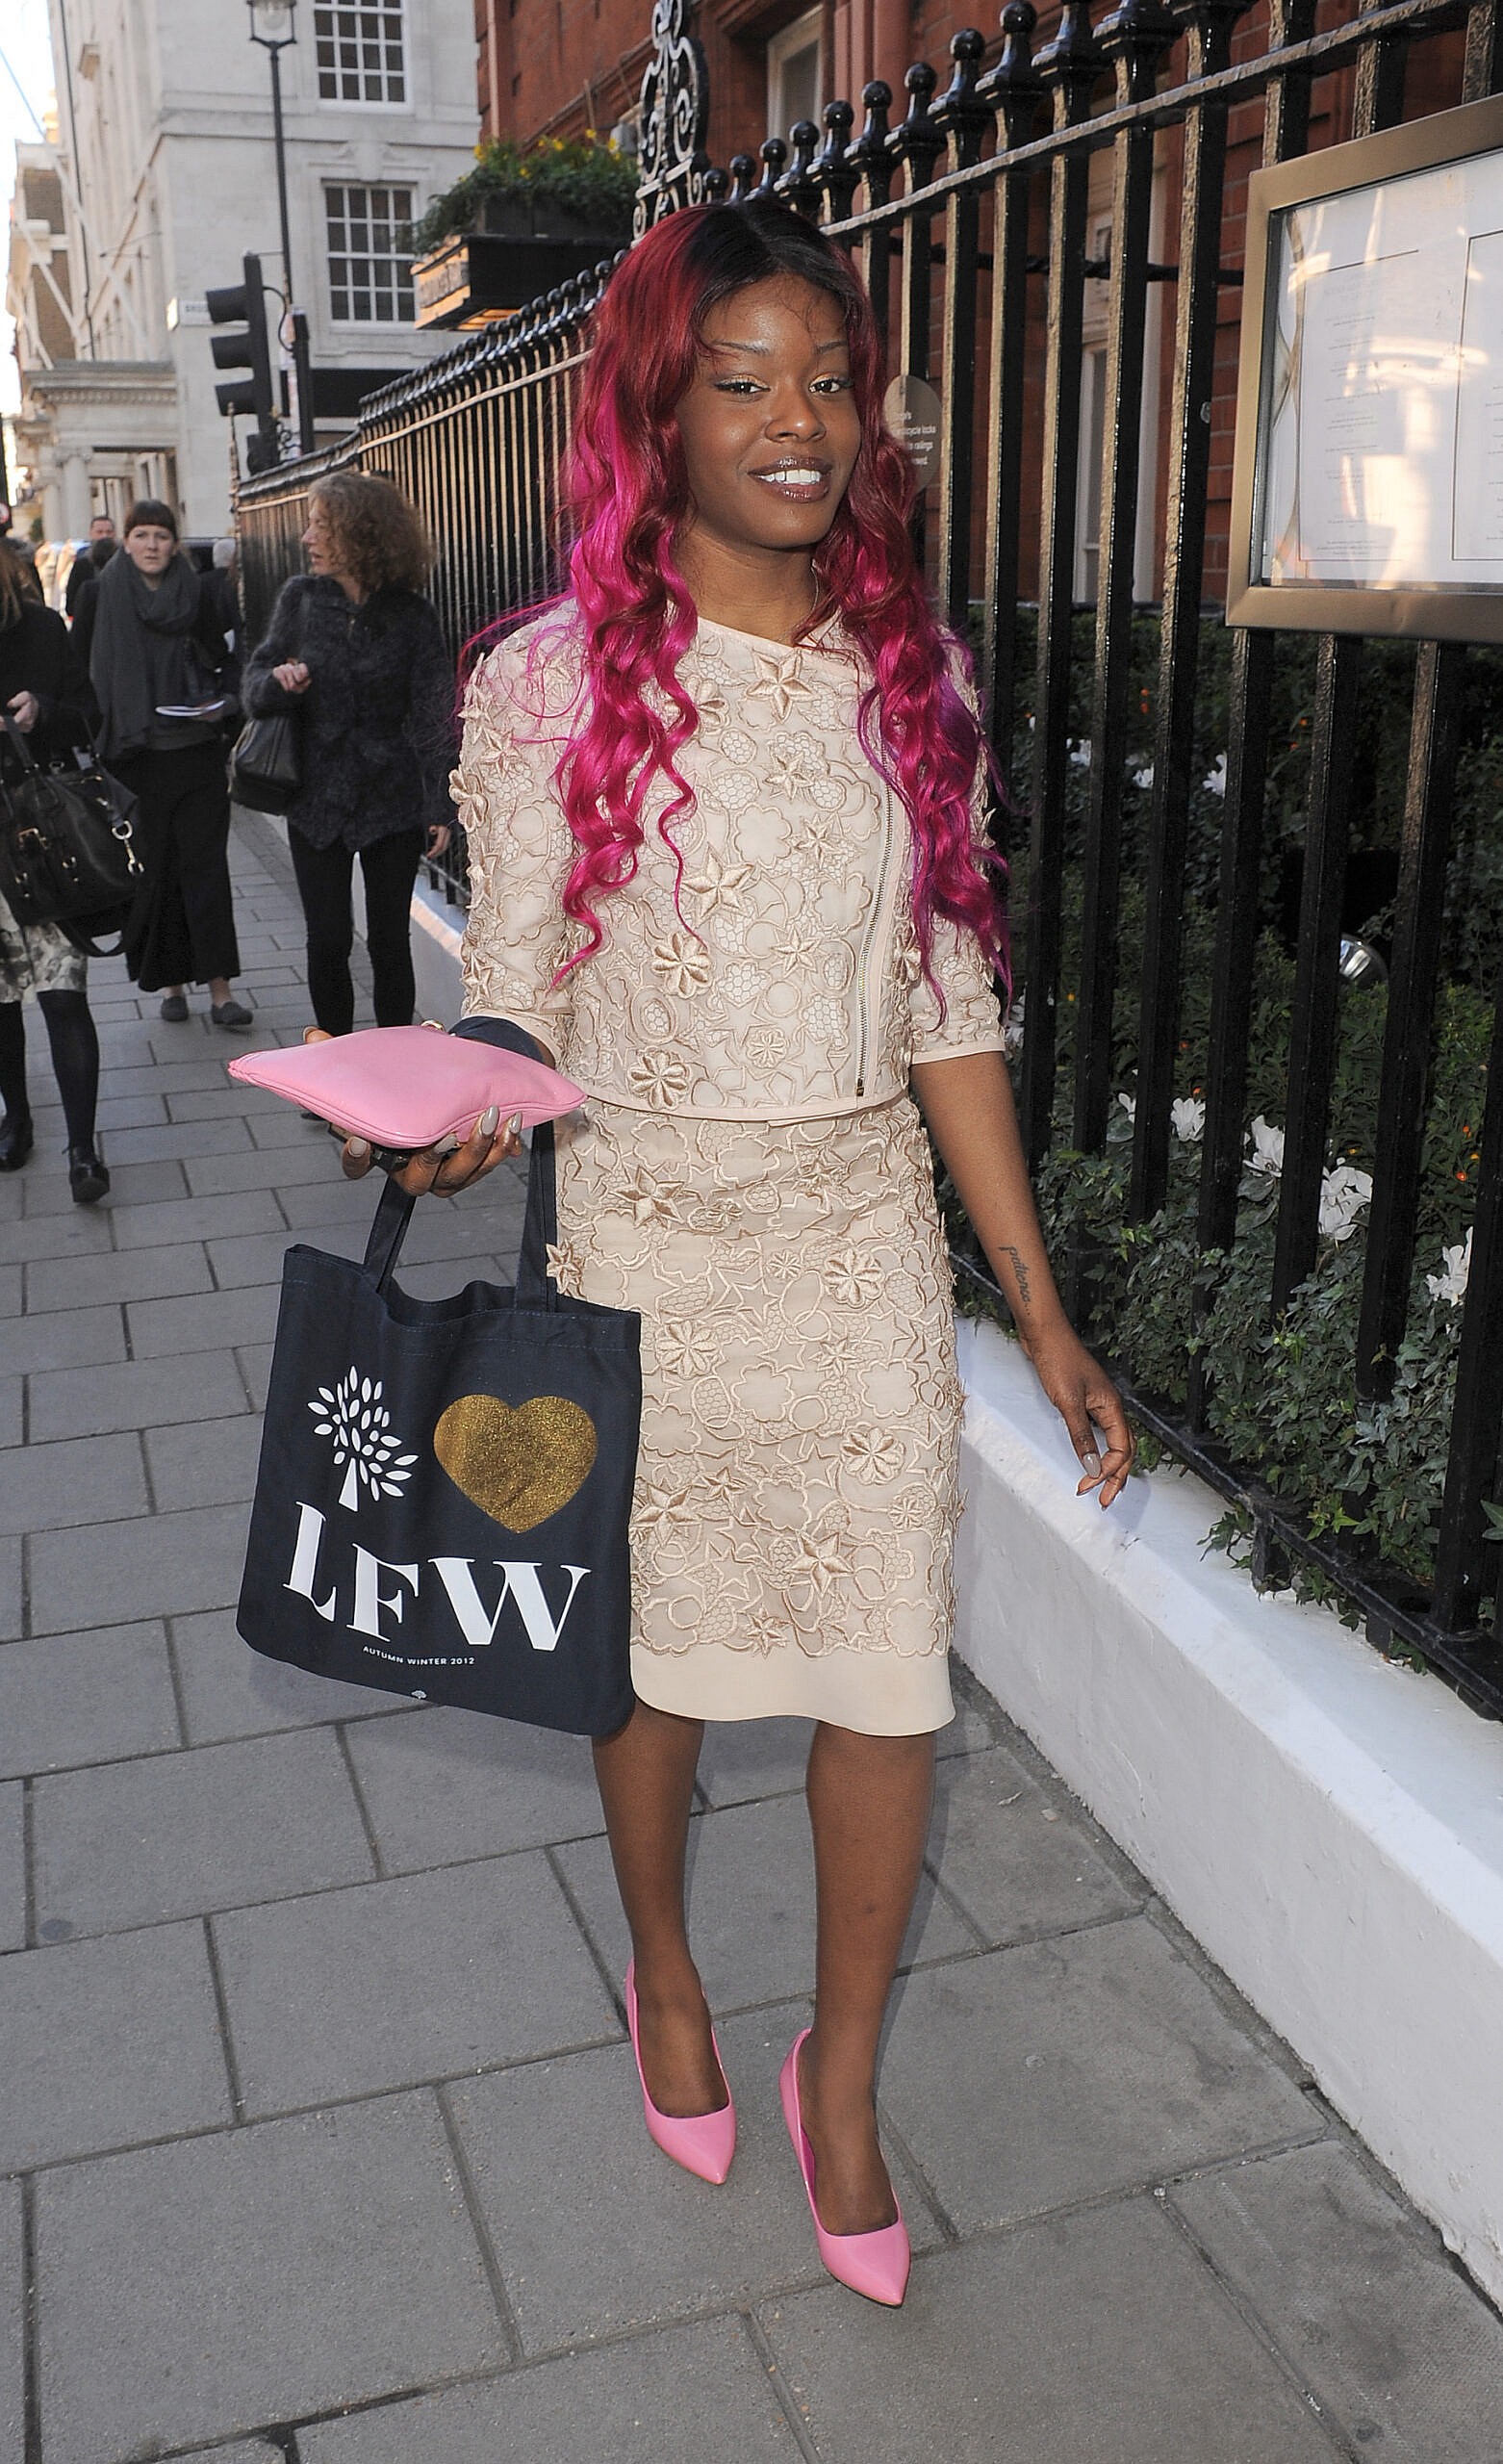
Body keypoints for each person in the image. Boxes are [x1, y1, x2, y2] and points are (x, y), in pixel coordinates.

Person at [334, 203, 1134, 2306]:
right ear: (659, 410)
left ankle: (838, 2078)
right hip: (649, 1251)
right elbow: (517, 1010)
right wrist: (445, 1126)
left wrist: (1037, 1307)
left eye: (829, 381)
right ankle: (667, 1975)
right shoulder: (546, 685)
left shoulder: (910, 675)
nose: (799, 421)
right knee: (654, 1669)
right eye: (743, 380)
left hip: (857, 1252)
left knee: (887, 1679)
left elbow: (946, 1004)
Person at [241, 473, 454, 1036]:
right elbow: (255, 683)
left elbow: (434, 712)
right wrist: (278, 681)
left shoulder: (411, 615)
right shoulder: (300, 599)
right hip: (315, 797)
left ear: (360, 534)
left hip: (392, 798)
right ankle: (332, 1063)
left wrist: (439, 801)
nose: (307, 537)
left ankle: (392, 1063)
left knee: (389, 940)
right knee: (328, 939)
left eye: (321, 526)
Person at [74, 499, 250, 1028]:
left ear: (175, 544)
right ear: (126, 542)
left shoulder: (197, 593)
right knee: (155, 874)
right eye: (142, 535)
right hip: (133, 759)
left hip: (195, 753)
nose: (152, 544)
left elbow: (228, 660)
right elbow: (78, 676)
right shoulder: (99, 593)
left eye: (162, 535)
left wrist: (222, 702)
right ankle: (171, 984)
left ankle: (220, 991)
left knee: (206, 870)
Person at [0, 536, 110, 1199]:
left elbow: (89, 718)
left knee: (64, 996)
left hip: (41, 843)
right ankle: (16, 1119)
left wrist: (42, 710)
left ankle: (82, 1149)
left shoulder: (40, 628)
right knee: (0, 1003)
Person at [64, 514, 116, 621]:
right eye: (99, 532)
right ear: (91, 534)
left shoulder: (126, 561)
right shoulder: (82, 564)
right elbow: (71, 602)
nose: (104, 536)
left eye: (109, 532)